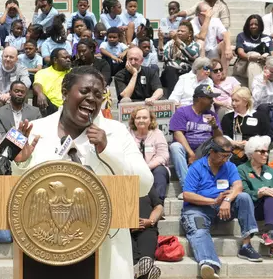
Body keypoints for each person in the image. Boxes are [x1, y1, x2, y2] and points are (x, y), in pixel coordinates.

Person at [12, 65, 154, 279]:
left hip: (106, 245)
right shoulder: (32, 129)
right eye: (85, 91)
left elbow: (144, 185)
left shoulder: (116, 132)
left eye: (98, 94)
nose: (92, 99)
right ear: (65, 92)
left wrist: (108, 150)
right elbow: (8, 192)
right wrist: (19, 164)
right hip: (45, 249)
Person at [182, 136, 262, 279]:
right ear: (212, 152)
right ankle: (209, 264)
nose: (226, 159)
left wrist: (227, 200)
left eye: (228, 156)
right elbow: (187, 195)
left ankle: (246, 246)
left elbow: (238, 186)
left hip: (223, 208)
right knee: (199, 230)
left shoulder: (229, 166)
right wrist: (212, 201)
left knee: (244, 197)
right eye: (223, 156)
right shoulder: (196, 167)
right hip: (198, 209)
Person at [237, 136, 273, 260]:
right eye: (261, 151)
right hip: (252, 209)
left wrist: (272, 192)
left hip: (271, 208)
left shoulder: (271, 171)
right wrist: (259, 193)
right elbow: (243, 192)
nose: (265, 154)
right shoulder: (241, 169)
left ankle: (270, 233)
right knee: (270, 195)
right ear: (251, 153)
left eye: (267, 152)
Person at [169, 84, 222, 198]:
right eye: (209, 98)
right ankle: (188, 188)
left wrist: (215, 127)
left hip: (205, 150)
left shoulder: (211, 115)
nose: (212, 101)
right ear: (199, 98)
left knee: (222, 145)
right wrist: (191, 153)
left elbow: (219, 138)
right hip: (186, 149)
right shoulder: (182, 111)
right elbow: (178, 133)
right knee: (175, 146)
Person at [221, 87, 271, 165]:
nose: (233, 103)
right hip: (236, 152)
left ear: (245, 102)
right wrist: (234, 143)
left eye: (236, 101)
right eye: (232, 100)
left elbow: (267, 137)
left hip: (255, 153)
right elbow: (225, 136)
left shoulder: (260, 116)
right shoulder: (228, 117)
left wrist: (250, 144)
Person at [129, 106, 170, 200]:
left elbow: (163, 155)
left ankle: (158, 205)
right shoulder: (127, 134)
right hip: (134, 169)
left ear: (150, 120)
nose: (141, 120)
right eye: (138, 118)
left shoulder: (157, 133)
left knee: (160, 171)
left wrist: (147, 167)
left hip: (153, 168)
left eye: (144, 117)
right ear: (134, 120)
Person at [130, 185, 163, 279]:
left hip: (147, 227)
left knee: (146, 257)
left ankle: (140, 270)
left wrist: (150, 221)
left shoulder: (145, 184)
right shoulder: (116, 184)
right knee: (128, 245)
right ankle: (145, 273)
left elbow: (158, 206)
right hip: (123, 230)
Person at [235, 14, 273, 88]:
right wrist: (253, 57)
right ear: (247, 26)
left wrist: (266, 58)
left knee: (266, 55)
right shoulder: (241, 36)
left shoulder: (267, 38)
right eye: (251, 24)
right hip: (244, 65)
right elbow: (240, 53)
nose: (253, 26)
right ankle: (256, 91)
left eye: (256, 24)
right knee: (254, 56)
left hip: (264, 65)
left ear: (260, 25)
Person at [159, 21, 200, 94]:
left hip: (185, 74)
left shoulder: (194, 45)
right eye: (178, 31)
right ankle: (172, 98)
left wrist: (177, 40)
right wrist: (161, 40)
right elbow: (161, 58)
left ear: (190, 33)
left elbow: (193, 56)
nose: (179, 33)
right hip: (169, 74)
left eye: (182, 31)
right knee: (170, 69)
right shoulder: (170, 43)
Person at [33, 47, 71, 116]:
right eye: (65, 58)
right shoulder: (43, 72)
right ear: (55, 60)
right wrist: (40, 94)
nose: (68, 60)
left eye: (69, 57)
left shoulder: (73, 73)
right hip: (48, 106)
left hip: (68, 107)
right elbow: (37, 84)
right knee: (36, 96)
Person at [191, 3, 231, 70]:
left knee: (224, 44)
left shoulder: (215, 20)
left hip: (213, 50)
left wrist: (228, 48)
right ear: (198, 14)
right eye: (207, 12)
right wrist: (207, 18)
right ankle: (203, 71)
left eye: (210, 11)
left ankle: (224, 73)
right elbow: (202, 36)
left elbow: (225, 34)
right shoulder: (193, 23)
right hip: (200, 53)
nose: (210, 14)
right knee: (201, 42)